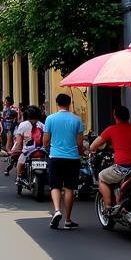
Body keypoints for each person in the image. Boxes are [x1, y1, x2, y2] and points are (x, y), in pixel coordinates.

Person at [90, 105, 131, 213]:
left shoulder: (111, 130)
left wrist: (94, 150)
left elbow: (93, 146)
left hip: (123, 168)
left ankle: (108, 207)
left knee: (101, 176)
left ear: (115, 116)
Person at [43, 93, 85, 230]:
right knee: (69, 188)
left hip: (55, 156)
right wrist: (81, 153)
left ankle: (56, 210)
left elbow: (46, 140)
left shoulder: (50, 119)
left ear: (57, 103)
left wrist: (47, 149)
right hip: (72, 158)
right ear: (69, 103)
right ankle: (67, 219)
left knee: (55, 185)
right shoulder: (77, 120)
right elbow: (80, 142)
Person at [6, 106, 39, 176]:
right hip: (41, 152)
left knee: (20, 164)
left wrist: (14, 151)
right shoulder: (42, 125)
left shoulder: (23, 125)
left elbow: (19, 142)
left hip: (27, 151)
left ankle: (19, 179)